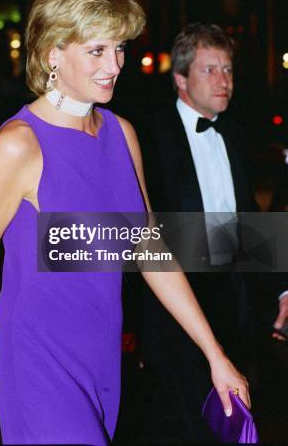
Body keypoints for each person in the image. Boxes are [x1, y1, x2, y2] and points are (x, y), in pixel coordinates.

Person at [0, 0, 249, 445]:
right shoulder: (20, 144)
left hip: (103, 357)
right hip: (38, 360)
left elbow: (151, 252)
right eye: (97, 51)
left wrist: (215, 355)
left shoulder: (122, 135)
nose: (115, 64)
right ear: (53, 55)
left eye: (119, 48)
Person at [140, 23, 257, 443]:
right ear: (180, 79)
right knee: (184, 419)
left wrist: (281, 292)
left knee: (228, 418)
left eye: (227, 69)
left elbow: (248, 220)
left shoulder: (236, 132)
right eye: (210, 70)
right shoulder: (150, 137)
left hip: (234, 302)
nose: (224, 81)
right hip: (178, 302)